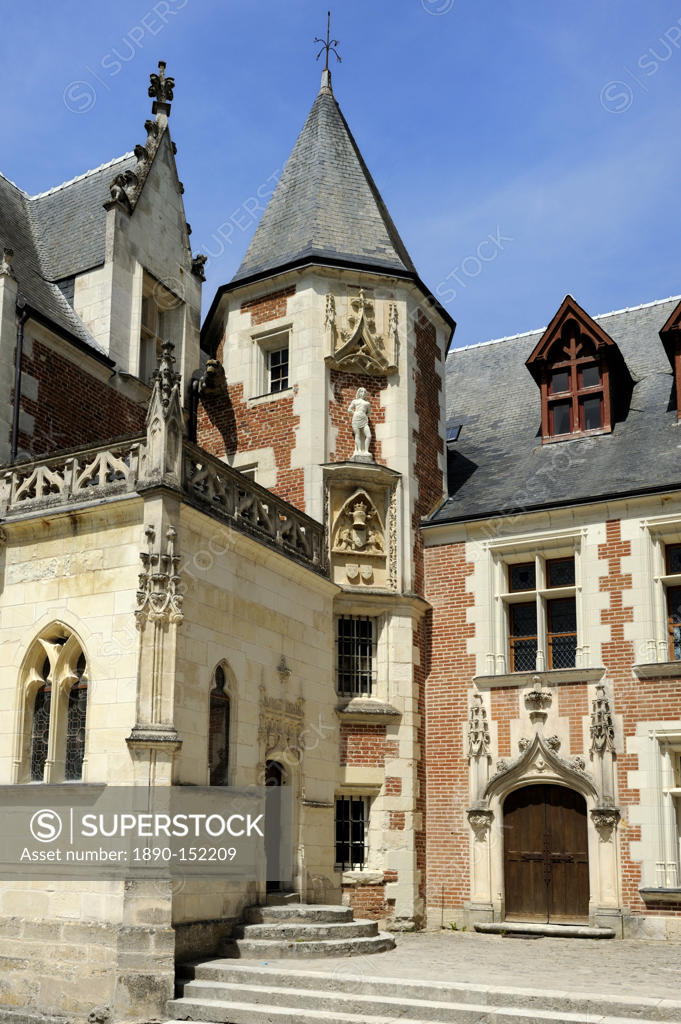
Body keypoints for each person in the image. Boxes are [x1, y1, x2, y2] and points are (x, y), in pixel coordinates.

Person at [348, 387, 371, 456]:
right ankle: (359, 450)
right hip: (356, 419)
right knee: (357, 435)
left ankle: (366, 450)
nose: (363, 393)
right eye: (361, 392)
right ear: (359, 393)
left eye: (364, 392)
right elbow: (349, 409)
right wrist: (355, 413)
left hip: (364, 420)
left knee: (369, 436)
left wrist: (365, 416)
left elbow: (369, 412)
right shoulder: (355, 401)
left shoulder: (367, 403)